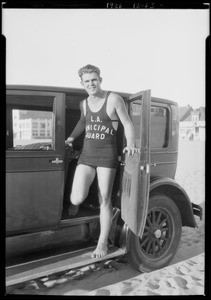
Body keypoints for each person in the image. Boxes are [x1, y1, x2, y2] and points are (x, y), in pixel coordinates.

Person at [65, 64, 137, 259]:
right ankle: (76, 204)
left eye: (94, 80)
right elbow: (82, 121)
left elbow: (127, 123)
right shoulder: (83, 103)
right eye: (87, 81)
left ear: (100, 80)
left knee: (104, 198)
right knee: (76, 198)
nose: (91, 83)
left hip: (107, 155)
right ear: (82, 83)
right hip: (87, 154)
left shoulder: (113, 99)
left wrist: (131, 143)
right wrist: (72, 138)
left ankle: (102, 243)